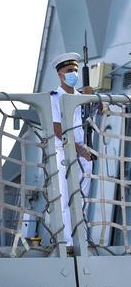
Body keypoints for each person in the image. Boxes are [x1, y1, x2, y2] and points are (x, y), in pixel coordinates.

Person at [49, 52, 95, 247]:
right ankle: (68, 243)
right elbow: (57, 128)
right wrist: (78, 149)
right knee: (67, 199)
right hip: (66, 154)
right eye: (69, 71)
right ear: (60, 75)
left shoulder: (82, 96)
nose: (73, 74)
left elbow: (99, 111)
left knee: (83, 199)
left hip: (85, 154)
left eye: (75, 70)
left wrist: (93, 97)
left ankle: (82, 239)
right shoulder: (55, 97)